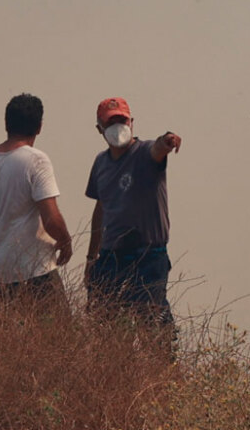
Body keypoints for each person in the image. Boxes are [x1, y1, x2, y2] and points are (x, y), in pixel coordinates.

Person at [0, 94, 73, 314]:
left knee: (3, 334)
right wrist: (65, 241)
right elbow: (51, 219)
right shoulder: (36, 160)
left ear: (6, 124)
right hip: (35, 272)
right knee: (55, 333)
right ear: (39, 127)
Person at [84, 97, 181, 334]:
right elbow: (100, 208)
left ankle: (162, 357)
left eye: (122, 121)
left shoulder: (144, 153)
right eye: (111, 123)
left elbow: (159, 148)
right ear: (100, 128)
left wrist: (168, 140)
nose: (118, 127)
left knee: (151, 323)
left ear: (131, 122)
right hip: (112, 257)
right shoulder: (100, 163)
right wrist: (91, 257)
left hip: (148, 255)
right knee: (107, 325)